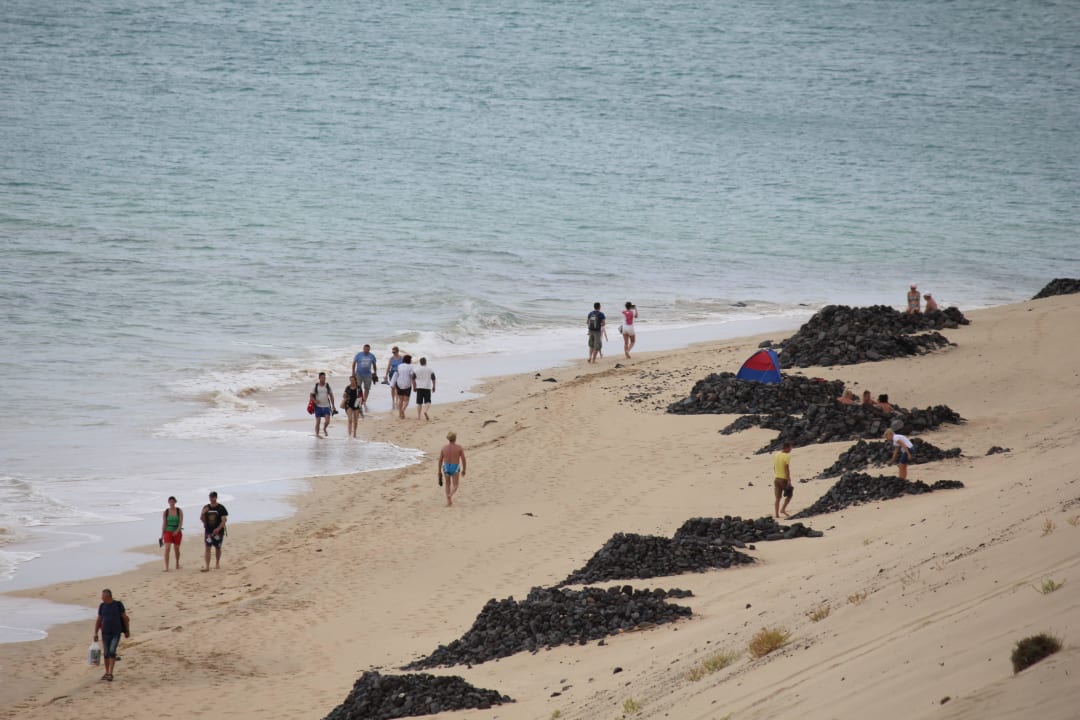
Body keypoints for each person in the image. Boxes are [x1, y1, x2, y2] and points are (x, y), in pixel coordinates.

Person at [93, 589, 129, 682]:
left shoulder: (118, 605)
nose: (101, 598)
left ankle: (110, 673)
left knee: (112, 651)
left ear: (108, 596)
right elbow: (99, 619)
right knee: (106, 654)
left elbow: (125, 618)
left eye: (103, 596)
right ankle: (107, 672)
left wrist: (127, 630)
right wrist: (95, 633)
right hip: (105, 633)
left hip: (116, 633)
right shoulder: (102, 606)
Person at [200, 491, 228, 571]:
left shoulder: (221, 508)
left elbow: (224, 521)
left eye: (213, 497)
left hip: (219, 531)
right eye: (210, 497)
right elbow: (203, 520)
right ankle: (207, 566)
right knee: (207, 548)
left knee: (217, 547)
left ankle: (217, 563)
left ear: (216, 497)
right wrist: (203, 513)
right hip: (208, 531)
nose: (211, 499)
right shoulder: (206, 507)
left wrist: (218, 529)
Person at [438, 431, 467, 507]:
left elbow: (440, 460)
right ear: (455, 438)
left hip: (446, 467)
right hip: (455, 467)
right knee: (455, 485)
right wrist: (464, 470)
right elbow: (463, 459)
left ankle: (449, 502)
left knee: (447, 484)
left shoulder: (444, 448)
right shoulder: (459, 448)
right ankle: (450, 495)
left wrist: (439, 471)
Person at [351, 343, 378, 410]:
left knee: (367, 388)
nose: (366, 350)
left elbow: (374, 365)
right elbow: (354, 363)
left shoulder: (372, 356)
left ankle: (364, 400)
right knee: (358, 388)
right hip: (359, 374)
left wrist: (375, 373)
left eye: (367, 349)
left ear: (369, 349)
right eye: (365, 349)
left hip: (368, 375)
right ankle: (359, 400)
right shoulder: (359, 355)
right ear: (363, 349)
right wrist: (353, 372)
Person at [160, 496, 183, 571]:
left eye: (173, 501)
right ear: (168, 502)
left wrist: (177, 531)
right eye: (170, 501)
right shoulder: (166, 512)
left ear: (175, 502)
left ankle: (177, 564)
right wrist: (162, 535)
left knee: (176, 549)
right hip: (168, 531)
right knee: (167, 548)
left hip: (177, 531)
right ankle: (166, 567)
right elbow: (164, 524)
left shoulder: (179, 511)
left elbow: (180, 523)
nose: (171, 503)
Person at [310, 372, 336, 437]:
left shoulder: (327, 386)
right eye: (322, 378)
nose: (323, 379)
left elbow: (331, 396)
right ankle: (317, 434)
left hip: (326, 406)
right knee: (318, 422)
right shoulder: (316, 386)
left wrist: (333, 406)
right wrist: (315, 401)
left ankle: (324, 428)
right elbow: (311, 395)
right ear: (319, 378)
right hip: (318, 407)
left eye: (324, 378)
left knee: (327, 421)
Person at [773, 442, 794, 518]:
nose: (791, 449)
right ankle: (782, 509)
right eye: (790, 448)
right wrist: (789, 480)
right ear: (786, 448)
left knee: (777, 498)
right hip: (783, 480)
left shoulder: (777, 454)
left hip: (776, 479)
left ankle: (777, 515)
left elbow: (774, 467)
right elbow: (786, 469)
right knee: (789, 495)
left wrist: (777, 474)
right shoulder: (786, 456)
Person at [390, 354, 414, 419]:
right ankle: (403, 410)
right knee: (406, 400)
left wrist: (392, 384)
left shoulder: (399, 366)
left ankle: (400, 414)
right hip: (407, 385)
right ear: (409, 360)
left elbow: (395, 375)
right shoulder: (410, 367)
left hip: (399, 384)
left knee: (400, 400)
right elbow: (412, 376)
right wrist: (414, 385)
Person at [412, 356, 436, 421]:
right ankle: (425, 411)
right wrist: (434, 386)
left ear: (420, 363)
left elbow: (413, 378)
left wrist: (414, 386)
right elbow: (433, 378)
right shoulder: (430, 369)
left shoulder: (416, 370)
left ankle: (419, 416)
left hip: (419, 387)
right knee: (428, 401)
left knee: (419, 403)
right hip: (427, 387)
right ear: (425, 362)